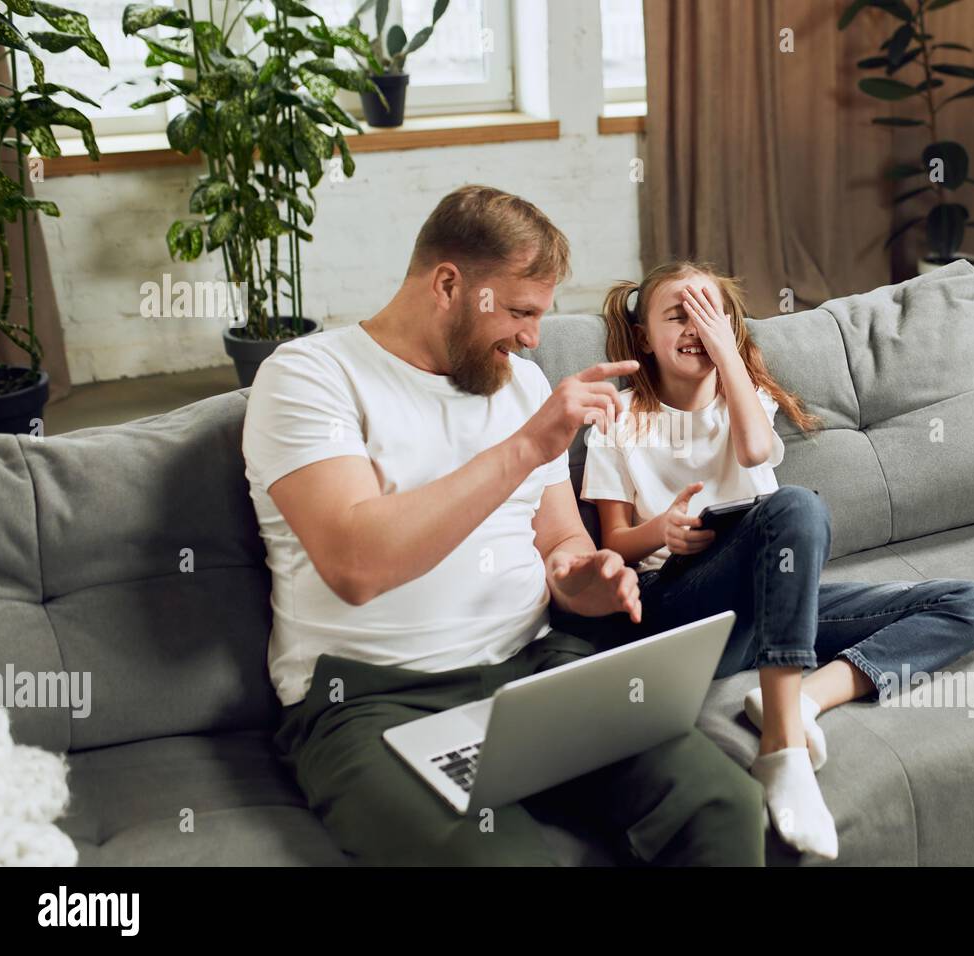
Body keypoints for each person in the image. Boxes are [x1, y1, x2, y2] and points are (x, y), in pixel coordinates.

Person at [241, 187, 765, 866]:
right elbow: (355, 564)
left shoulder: (516, 381)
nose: (531, 337)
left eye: (540, 315)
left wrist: (585, 578)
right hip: (374, 700)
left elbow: (560, 542)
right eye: (519, 312)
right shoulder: (311, 377)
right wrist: (527, 444)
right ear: (449, 285)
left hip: (538, 671)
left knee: (724, 804)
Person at [579, 260, 974, 859]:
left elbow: (754, 449)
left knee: (966, 605)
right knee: (796, 507)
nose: (695, 328)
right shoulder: (621, 418)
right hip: (680, 609)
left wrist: (730, 360)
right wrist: (660, 531)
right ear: (644, 335)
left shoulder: (744, 400)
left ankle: (803, 701)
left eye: (709, 314)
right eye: (678, 316)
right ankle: (783, 747)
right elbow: (613, 543)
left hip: (771, 612)